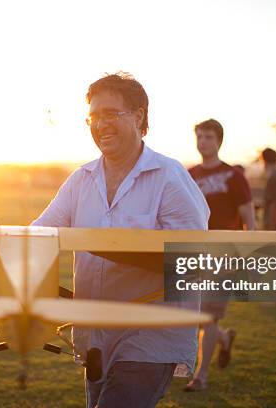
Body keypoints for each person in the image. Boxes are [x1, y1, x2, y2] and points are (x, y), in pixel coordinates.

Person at [31, 73, 209, 408]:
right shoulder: (80, 179)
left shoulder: (170, 178)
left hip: (152, 333)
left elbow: (191, 260)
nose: (101, 125)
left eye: (111, 114)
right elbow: (42, 232)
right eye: (94, 117)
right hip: (95, 335)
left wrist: (107, 245)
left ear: (139, 116)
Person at [184, 119, 256, 392]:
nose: (203, 142)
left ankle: (200, 377)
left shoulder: (233, 176)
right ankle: (224, 340)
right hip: (194, 256)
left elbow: (249, 218)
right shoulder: (188, 175)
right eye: (199, 136)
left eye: (209, 137)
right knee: (195, 314)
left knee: (209, 316)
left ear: (219, 141)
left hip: (225, 257)